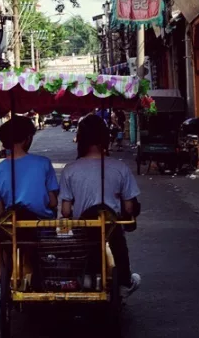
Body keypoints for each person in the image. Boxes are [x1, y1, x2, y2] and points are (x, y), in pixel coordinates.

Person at [59, 114, 141, 297]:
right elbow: (128, 208)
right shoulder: (120, 168)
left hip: (84, 230)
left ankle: (85, 277)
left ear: (80, 138)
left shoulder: (70, 169)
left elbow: (65, 211)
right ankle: (124, 282)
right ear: (105, 137)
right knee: (119, 241)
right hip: (112, 228)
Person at [0, 115, 59, 284]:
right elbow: (53, 202)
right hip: (42, 229)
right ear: (27, 139)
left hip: (13, 232)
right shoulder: (43, 163)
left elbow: (1, 210)